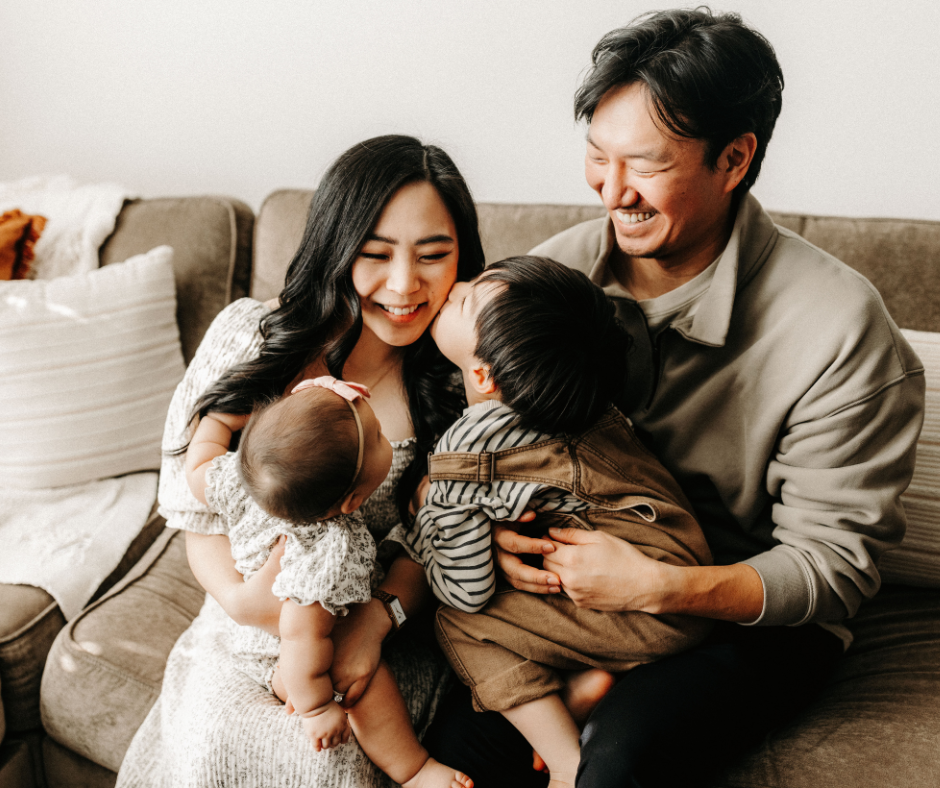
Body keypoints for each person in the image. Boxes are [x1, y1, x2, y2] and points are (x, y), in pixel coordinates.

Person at [422, 9, 926, 788]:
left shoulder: (840, 327)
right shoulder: (550, 282)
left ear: (734, 159)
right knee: (457, 747)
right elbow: (466, 441)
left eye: (645, 165)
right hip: (579, 597)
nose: (611, 190)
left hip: (752, 613)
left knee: (619, 757)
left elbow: (832, 567)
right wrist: (487, 536)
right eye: (598, 156)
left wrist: (660, 586)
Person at [116, 134, 485, 788]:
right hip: (241, 628)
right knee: (216, 746)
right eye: (376, 254)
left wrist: (376, 621)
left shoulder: (463, 374)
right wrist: (243, 602)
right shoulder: (254, 336)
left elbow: (441, 538)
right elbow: (193, 505)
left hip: (372, 628)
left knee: (324, 761)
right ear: (337, 248)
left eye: (433, 255)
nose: (405, 284)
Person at [403, 256, 712, 788]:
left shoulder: (470, 448)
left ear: (483, 374)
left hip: (651, 610)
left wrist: (427, 525)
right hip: (686, 573)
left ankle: (565, 763)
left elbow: (465, 587)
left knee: (459, 620)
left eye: (464, 300)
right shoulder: (580, 396)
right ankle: (584, 678)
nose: (453, 287)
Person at [183, 375, 471, 788]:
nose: (384, 435)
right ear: (352, 502)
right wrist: (317, 706)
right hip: (290, 653)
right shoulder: (327, 551)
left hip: (260, 635)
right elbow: (301, 635)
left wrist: (217, 423)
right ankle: (413, 769)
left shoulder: (241, 479)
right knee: (366, 687)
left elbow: (198, 468)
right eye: (377, 437)